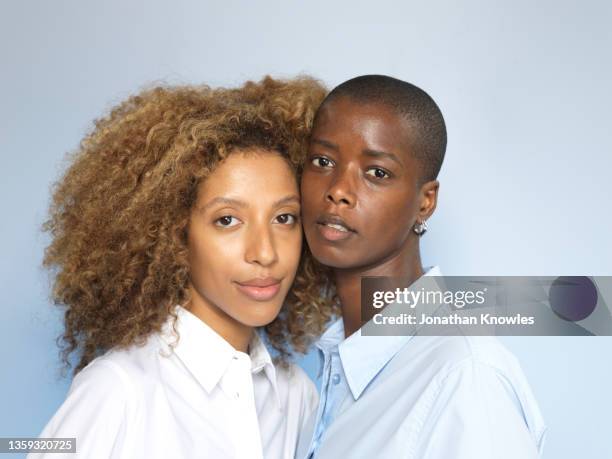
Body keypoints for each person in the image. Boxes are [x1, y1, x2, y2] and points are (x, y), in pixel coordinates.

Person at [32, 76, 334, 459]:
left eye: (285, 218)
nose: (265, 253)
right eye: (228, 220)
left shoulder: (294, 397)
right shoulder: (118, 390)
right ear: (174, 234)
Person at [296, 75, 547, 458]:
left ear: (425, 202)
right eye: (323, 161)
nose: (339, 190)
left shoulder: (466, 374)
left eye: (376, 172)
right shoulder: (322, 363)